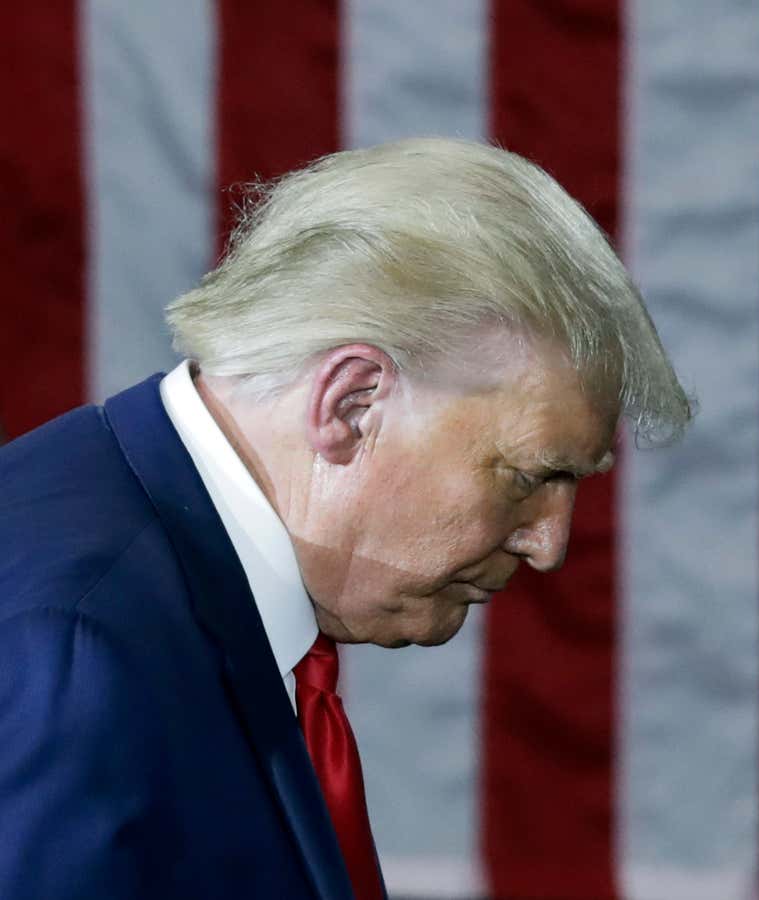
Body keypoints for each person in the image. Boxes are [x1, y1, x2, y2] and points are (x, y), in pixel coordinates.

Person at [0, 138, 691, 900]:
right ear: (352, 405)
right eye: (530, 476)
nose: (549, 544)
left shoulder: (156, 583)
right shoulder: (73, 646)